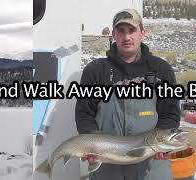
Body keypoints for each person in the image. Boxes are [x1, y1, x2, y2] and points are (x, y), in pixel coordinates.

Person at [75, 9, 180, 180]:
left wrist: (163, 146)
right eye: (121, 31)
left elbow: (170, 114)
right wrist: (91, 146)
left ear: (142, 33)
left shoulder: (161, 69)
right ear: (113, 35)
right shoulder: (96, 70)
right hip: (107, 166)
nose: (126, 37)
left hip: (151, 167)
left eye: (132, 30)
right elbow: (84, 114)